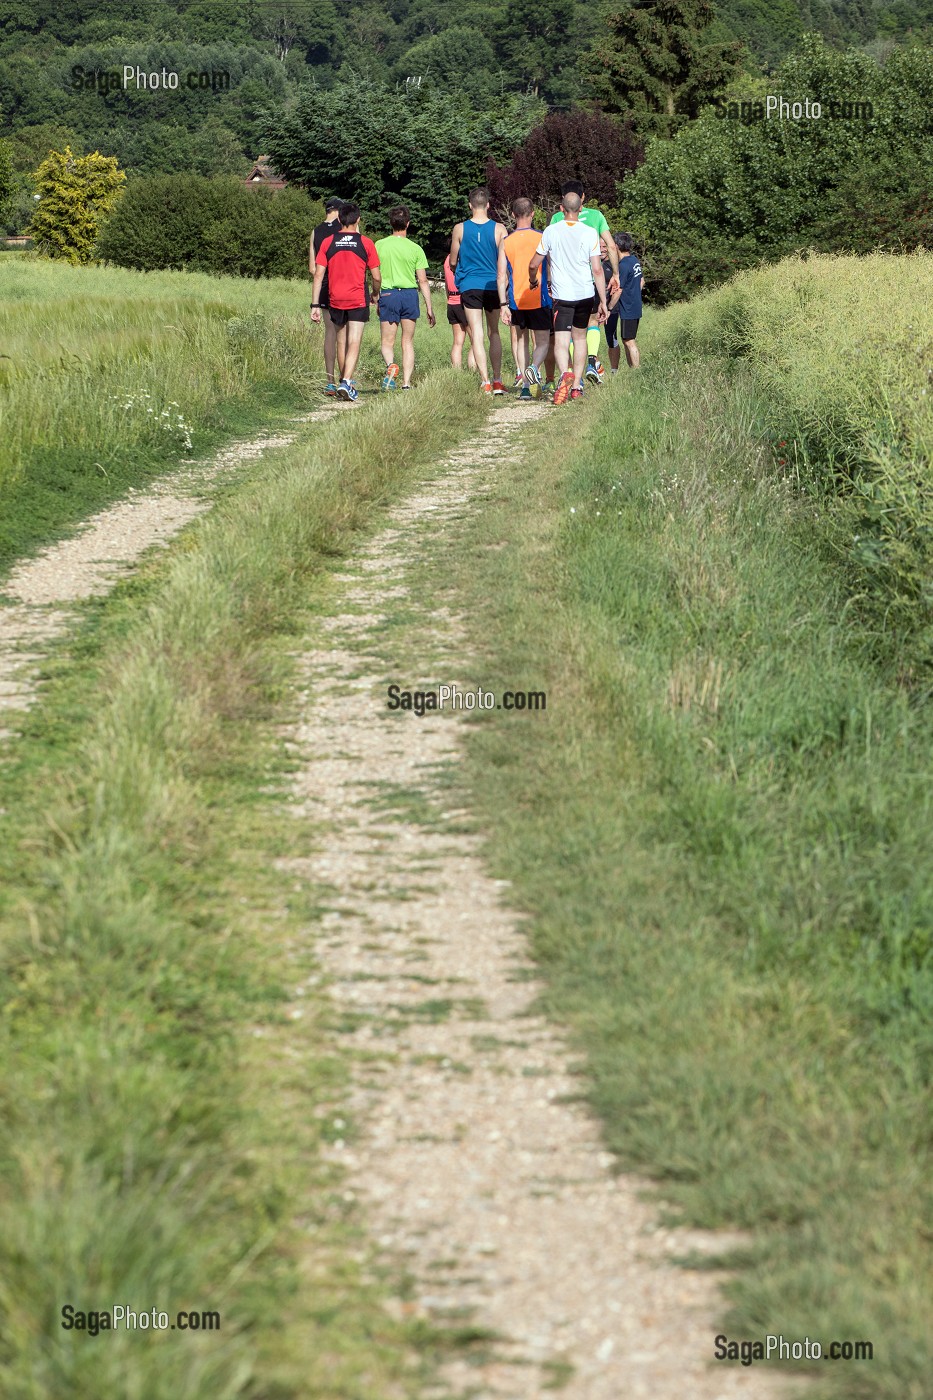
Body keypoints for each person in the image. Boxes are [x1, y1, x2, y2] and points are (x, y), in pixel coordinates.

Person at [530, 191, 608, 405]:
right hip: (585, 294)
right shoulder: (591, 232)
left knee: (562, 340)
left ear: (561, 209)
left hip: (562, 296)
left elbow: (534, 264)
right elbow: (597, 269)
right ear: (580, 208)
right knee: (581, 338)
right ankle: (576, 387)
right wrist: (603, 300)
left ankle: (565, 373)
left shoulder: (551, 231)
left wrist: (532, 279)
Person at [550, 180, 619, 384]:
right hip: (590, 281)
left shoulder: (556, 218)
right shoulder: (596, 216)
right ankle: (591, 361)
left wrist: (548, 281)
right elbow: (612, 246)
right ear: (583, 198)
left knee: (569, 331)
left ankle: (574, 374)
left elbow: (549, 252)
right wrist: (615, 274)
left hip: (563, 283)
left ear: (563, 201)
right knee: (592, 322)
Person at [310, 203, 381, 403]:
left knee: (341, 340)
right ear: (358, 220)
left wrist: (315, 305)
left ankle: (343, 381)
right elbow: (376, 277)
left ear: (339, 220)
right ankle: (346, 381)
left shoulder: (327, 242)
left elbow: (318, 275)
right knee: (354, 341)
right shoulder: (366, 243)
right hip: (358, 298)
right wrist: (375, 294)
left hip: (335, 299)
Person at [449, 187, 506, 394]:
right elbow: (504, 261)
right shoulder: (500, 229)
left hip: (470, 285)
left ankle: (485, 381)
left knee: (477, 333)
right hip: (493, 285)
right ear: (488, 205)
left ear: (470, 205)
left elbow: (453, 260)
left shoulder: (459, 228)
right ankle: (498, 379)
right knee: (494, 332)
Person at [373, 206, 435, 391]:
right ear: (408, 224)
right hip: (409, 295)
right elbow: (423, 280)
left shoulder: (379, 245)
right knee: (407, 341)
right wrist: (429, 307)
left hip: (388, 294)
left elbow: (375, 274)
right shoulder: (415, 248)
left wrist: (376, 297)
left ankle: (391, 367)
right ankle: (406, 383)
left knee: (387, 342)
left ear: (390, 223)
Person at [497, 197, 552, 401]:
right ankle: (533, 367)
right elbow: (549, 267)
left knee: (521, 341)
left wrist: (503, 304)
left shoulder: (506, 242)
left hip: (516, 299)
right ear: (533, 213)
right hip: (539, 297)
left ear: (512, 215)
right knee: (543, 341)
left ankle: (526, 387)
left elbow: (501, 276)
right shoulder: (542, 236)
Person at [309, 196, 345, 395]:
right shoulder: (344, 230)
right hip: (343, 284)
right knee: (345, 333)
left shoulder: (315, 232)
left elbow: (312, 268)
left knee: (330, 333)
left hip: (323, 286)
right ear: (339, 212)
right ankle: (345, 379)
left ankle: (329, 381)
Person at [606, 232, 645, 371]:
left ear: (615, 246)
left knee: (629, 341)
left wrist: (609, 308)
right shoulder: (634, 260)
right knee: (627, 339)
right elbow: (641, 281)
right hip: (636, 305)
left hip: (628, 308)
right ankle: (632, 370)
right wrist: (634, 292)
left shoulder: (622, 266)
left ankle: (636, 370)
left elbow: (619, 290)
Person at [444, 252, 477, 371]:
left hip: (451, 302)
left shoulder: (448, 258)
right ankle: (473, 371)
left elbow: (447, 284)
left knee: (458, 342)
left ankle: (457, 372)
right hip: (463, 301)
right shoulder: (464, 257)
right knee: (475, 339)